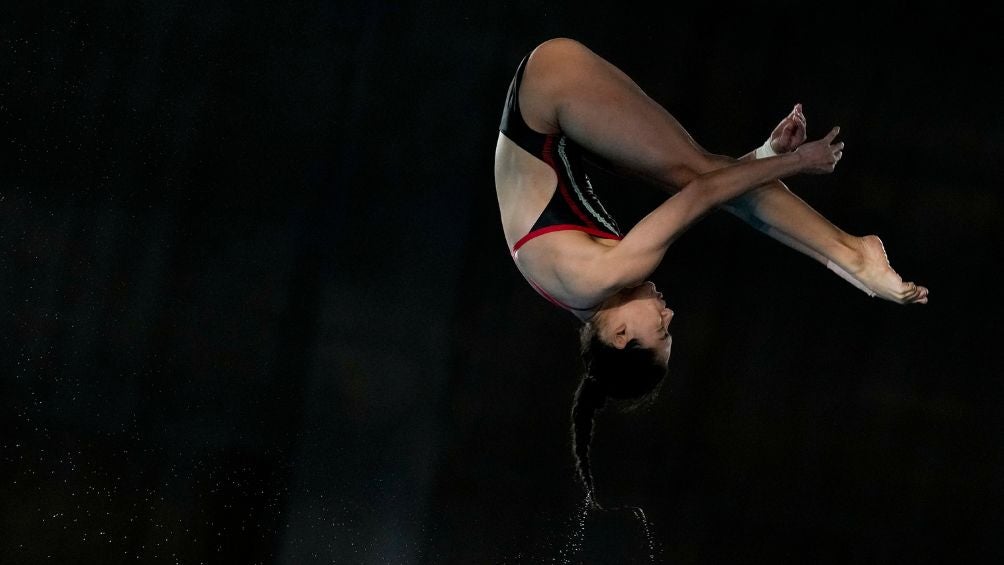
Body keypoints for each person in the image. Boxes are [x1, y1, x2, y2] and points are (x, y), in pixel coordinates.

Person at [493, 37, 928, 506]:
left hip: (547, 91)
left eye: (660, 331)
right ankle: (852, 257)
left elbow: (702, 192)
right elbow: (702, 199)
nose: (669, 315)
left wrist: (797, 162)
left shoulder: (602, 276)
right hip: (544, 112)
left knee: (693, 169)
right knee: (688, 170)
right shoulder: (588, 296)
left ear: (620, 335)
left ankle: (855, 254)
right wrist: (763, 158)